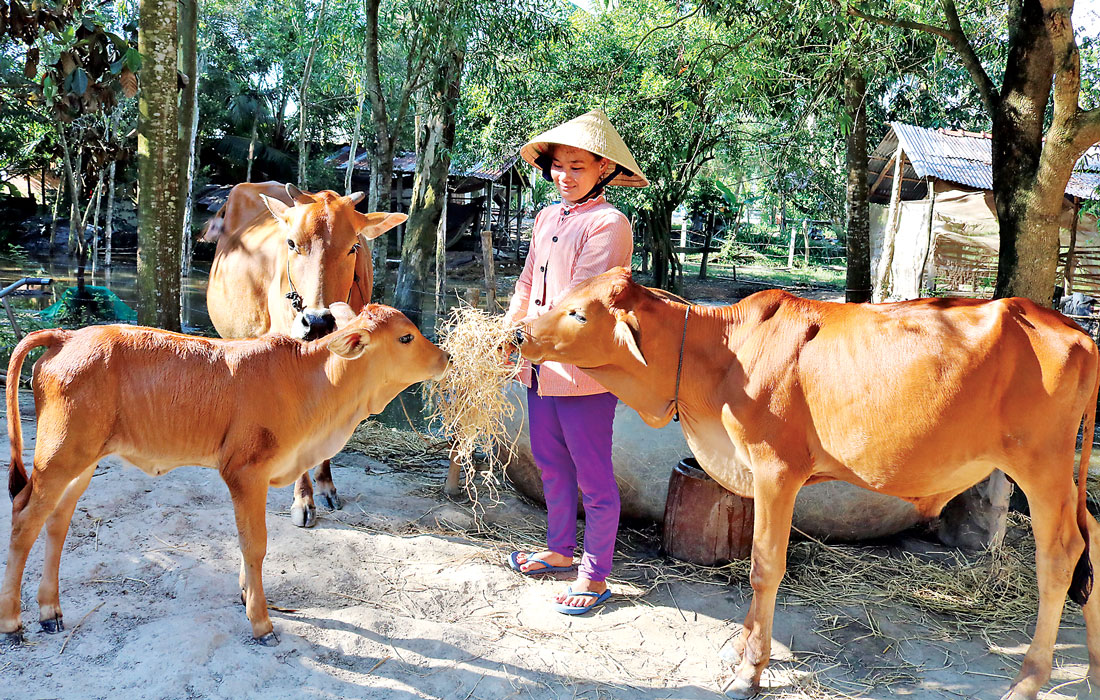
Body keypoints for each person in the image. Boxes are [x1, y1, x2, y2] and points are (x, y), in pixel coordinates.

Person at [503, 109, 649, 615]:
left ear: (604, 169)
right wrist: (508, 326)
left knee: (594, 476)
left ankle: (595, 575)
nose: (565, 176)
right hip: (538, 363)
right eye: (559, 166)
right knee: (548, 460)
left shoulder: (610, 223)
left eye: (578, 167)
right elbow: (527, 281)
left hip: (583, 369)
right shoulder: (546, 217)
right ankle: (560, 551)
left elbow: (578, 301)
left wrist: (527, 332)